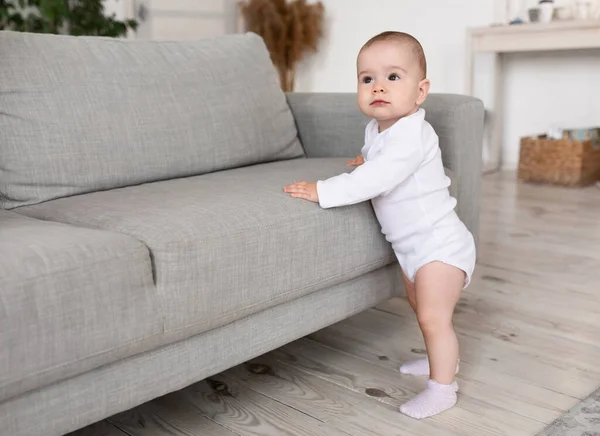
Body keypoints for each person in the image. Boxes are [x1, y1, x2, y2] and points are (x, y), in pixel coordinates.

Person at [283, 31, 476, 419]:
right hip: (410, 247)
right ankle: (442, 361)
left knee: (432, 317)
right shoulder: (379, 131)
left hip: (439, 246)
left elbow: (379, 178)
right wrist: (365, 158)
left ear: (420, 92)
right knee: (420, 307)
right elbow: (379, 159)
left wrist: (323, 189)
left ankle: (443, 388)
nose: (378, 88)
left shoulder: (413, 134)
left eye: (393, 77)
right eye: (367, 79)